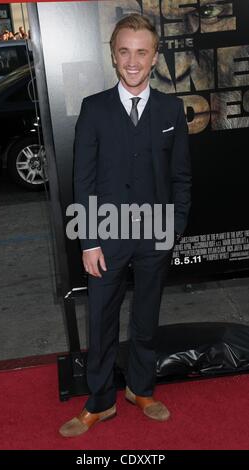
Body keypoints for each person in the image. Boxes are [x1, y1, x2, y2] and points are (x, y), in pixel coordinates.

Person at [59, 13, 191, 437]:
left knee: (146, 318)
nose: (132, 61)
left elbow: (181, 177)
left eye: (142, 52)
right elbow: (83, 179)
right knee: (100, 321)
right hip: (106, 236)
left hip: (155, 234)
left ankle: (141, 388)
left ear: (154, 58)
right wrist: (90, 241)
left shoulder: (171, 109)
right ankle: (99, 402)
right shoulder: (93, 108)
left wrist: (173, 228)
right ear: (113, 57)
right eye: (124, 52)